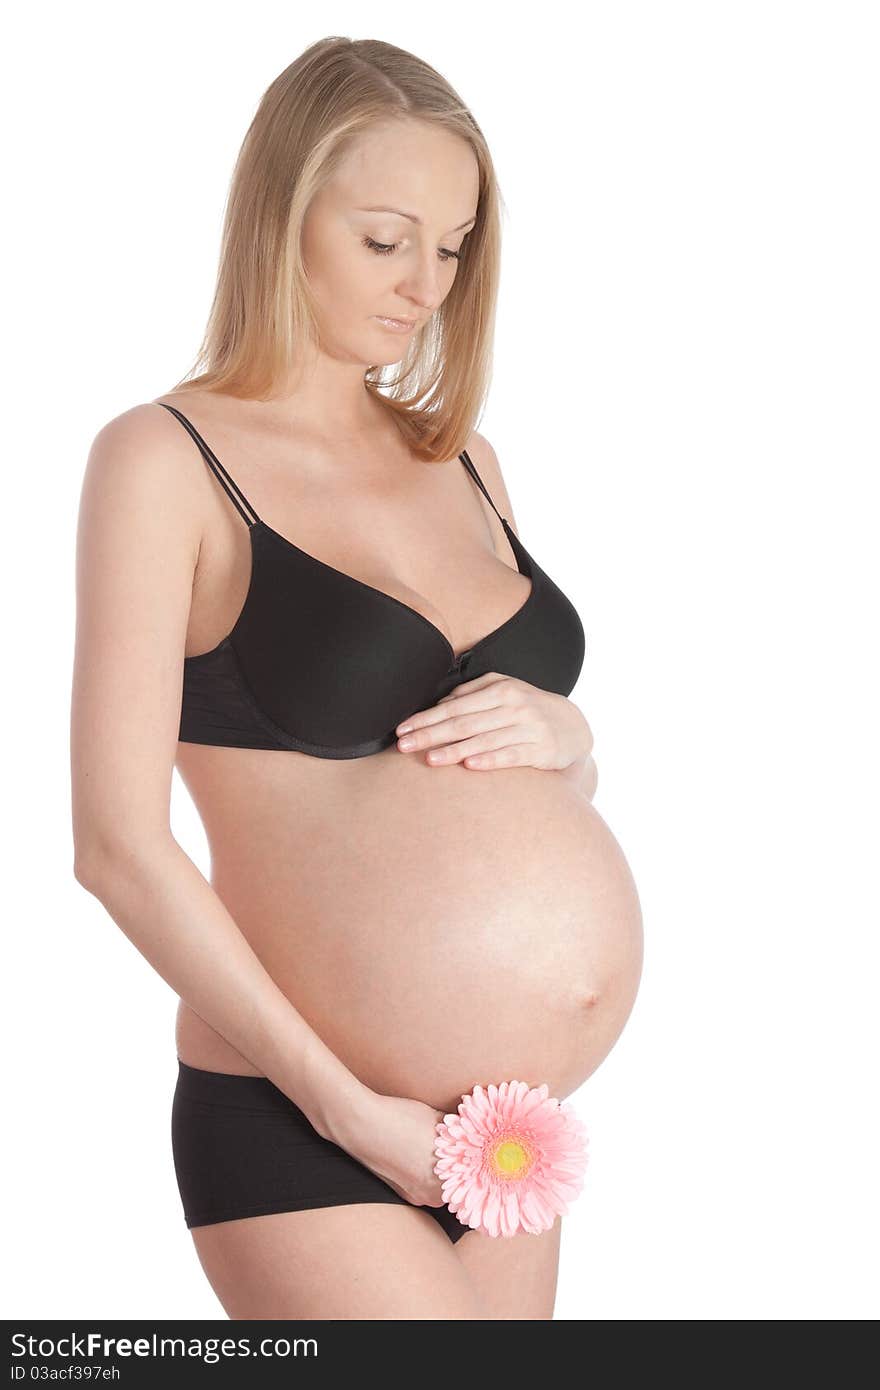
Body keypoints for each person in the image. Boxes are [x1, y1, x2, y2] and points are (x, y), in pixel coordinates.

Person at [70, 36, 644, 1320]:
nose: (423, 284)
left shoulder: (468, 462)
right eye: (386, 239)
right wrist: (345, 1106)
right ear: (285, 211)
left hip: (504, 1127)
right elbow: (114, 845)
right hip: (303, 1115)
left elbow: (501, 780)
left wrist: (571, 733)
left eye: (450, 247)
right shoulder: (165, 461)